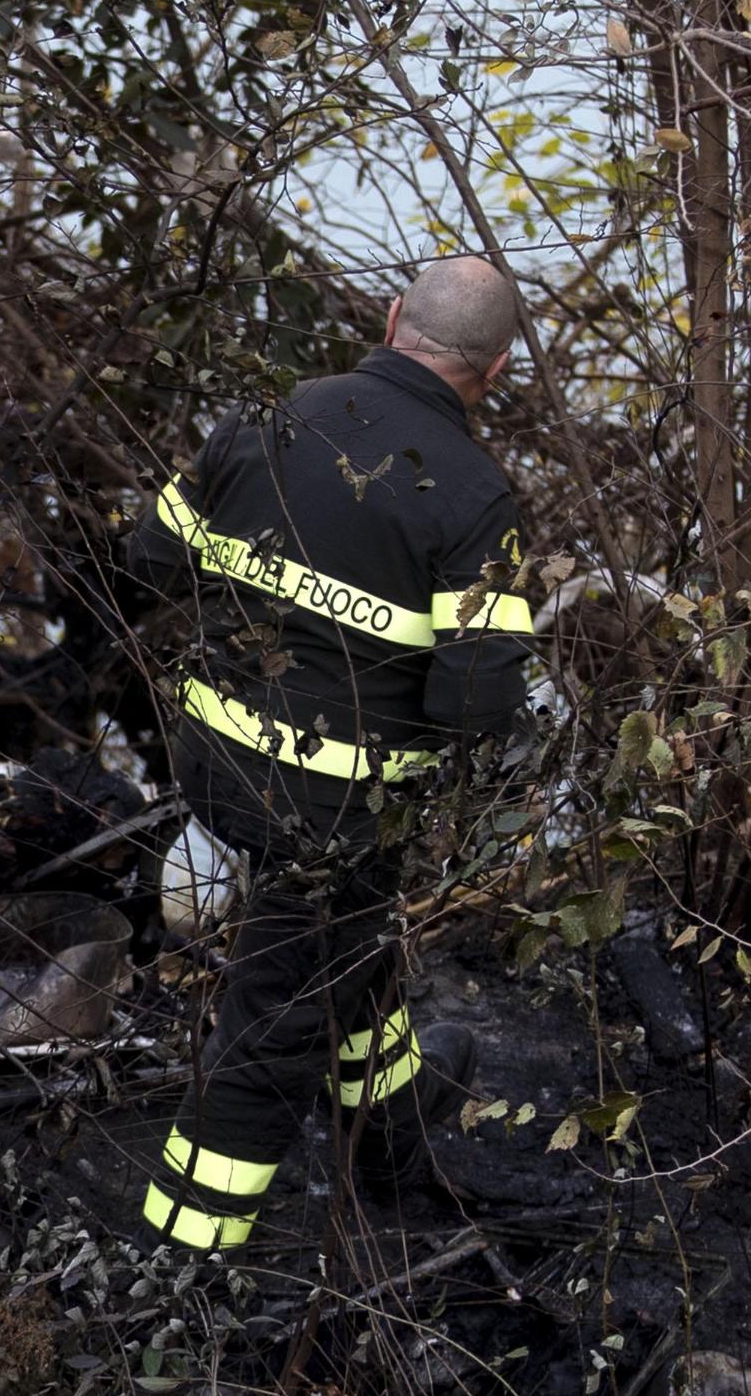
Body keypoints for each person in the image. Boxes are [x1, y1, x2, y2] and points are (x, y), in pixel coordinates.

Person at [124, 257, 534, 1253]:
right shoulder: (478, 500)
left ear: (392, 319)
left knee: (349, 941)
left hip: (209, 761)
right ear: (498, 365)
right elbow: (475, 708)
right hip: (329, 813)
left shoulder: (268, 414)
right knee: (277, 1025)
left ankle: (389, 1135)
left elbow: (148, 557)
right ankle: (186, 1257)